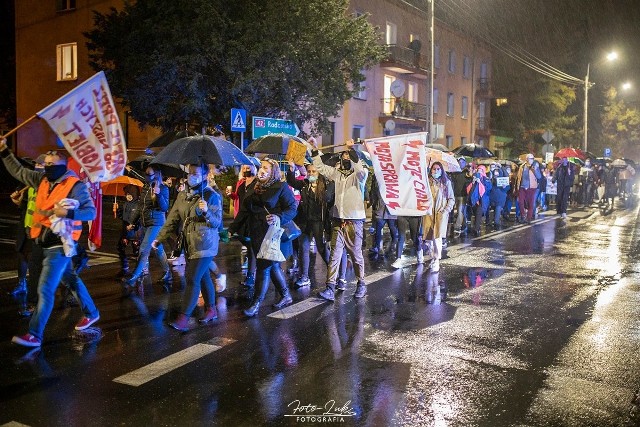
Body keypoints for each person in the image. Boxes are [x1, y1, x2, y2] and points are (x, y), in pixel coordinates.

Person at [0, 139, 100, 347]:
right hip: (41, 241)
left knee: (45, 289)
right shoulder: (42, 179)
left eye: (51, 165)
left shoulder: (75, 185)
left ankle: (35, 334)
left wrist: (68, 212)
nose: (47, 168)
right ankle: (91, 312)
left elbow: (91, 211)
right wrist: (4, 151)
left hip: (60, 244)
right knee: (70, 279)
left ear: (62, 167)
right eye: (45, 164)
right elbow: (19, 172)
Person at [154, 163, 223, 330]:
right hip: (190, 244)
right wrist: (159, 238)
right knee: (204, 276)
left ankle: (183, 318)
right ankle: (211, 309)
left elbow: (217, 223)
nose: (191, 176)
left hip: (206, 244)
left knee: (192, 278)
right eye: (190, 173)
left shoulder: (211, 195)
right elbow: (172, 219)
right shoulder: (183, 195)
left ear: (205, 175)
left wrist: (206, 211)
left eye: (196, 173)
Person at [229, 158, 298, 317]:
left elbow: (292, 208)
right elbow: (244, 211)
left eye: (266, 167)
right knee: (272, 266)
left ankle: (256, 303)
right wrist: (232, 228)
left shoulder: (280, 186)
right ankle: (286, 295)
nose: (262, 170)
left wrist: (279, 216)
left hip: (272, 234)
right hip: (256, 233)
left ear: (273, 171)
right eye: (261, 167)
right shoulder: (255, 186)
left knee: (263, 267)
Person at [310, 139, 369, 301]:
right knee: (335, 255)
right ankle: (330, 287)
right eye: (344, 155)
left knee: (356, 255)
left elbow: (360, 170)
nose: (345, 158)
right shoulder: (338, 175)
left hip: (354, 222)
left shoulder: (360, 175)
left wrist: (351, 149)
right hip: (338, 220)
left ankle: (361, 284)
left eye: (348, 156)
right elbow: (321, 168)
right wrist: (315, 151)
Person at [123, 164, 172, 290]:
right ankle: (168, 273)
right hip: (145, 223)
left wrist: (159, 195)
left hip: (156, 223)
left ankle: (134, 277)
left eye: (149, 174)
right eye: (146, 174)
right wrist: (132, 222)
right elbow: (140, 206)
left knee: (144, 249)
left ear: (156, 174)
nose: (146, 176)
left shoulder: (163, 188)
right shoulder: (145, 186)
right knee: (158, 248)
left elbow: (164, 208)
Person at [286, 160, 334, 287]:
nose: (311, 173)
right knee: (303, 248)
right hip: (304, 222)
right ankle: (304, 277)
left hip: (319, 223)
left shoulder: (325, 186)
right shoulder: (304, 184)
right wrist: (291, 169)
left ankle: (334, 275)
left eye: (314, 171)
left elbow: (329, 200)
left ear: (319, 173)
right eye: (309, 171)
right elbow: (292, 182)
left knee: (322, 249)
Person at [227, 162, 258, 291]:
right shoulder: (241, 183)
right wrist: (230, 195)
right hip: (242, 218)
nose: (246, 169)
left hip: (253, 220)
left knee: (251, 248)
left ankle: (251, 276)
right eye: (244, 168)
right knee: (246, 243)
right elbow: (238, 198)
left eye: (248, 167)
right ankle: (253, 269)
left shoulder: (257, 183)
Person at [421, 162, 454, 272]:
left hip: (440, 214)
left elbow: (451, 199)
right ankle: (431, 256)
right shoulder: (427, 182)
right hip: (429, 214)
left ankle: (436, 259)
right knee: (428, 238)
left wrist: (445, 211)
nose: (436, 171)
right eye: (434, 169)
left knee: (437, 238)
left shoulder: (446, 183)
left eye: (438, 169)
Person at [368, 175, 399, 262]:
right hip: (381, 208)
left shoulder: (394, 176)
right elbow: (374, 191)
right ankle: (377, 247)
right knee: (378, 228)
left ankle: (394, 245)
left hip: (391, 208)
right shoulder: (377, 175)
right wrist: (373, 203)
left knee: (392, 228)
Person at [115, 184, 141, 278]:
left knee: (137, 251)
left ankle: (141, 269)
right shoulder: (125, 204)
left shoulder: (138, 204)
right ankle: (124, 267)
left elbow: (139, 218)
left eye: (131, 194)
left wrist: (133, 225)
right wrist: (118, 210)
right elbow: (123, 217)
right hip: (125, 232)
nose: (128, 196)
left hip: (135, 233)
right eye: (127, 194)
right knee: (120, 247)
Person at [516, 154, 542, 223]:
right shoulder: (522, 166)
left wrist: (535, 170)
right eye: (530, 158)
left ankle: (529, 218)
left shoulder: (534, 166)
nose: (532, 160)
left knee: (531, 203)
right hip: (522, 187)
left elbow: (539, 177)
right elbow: (518, 177)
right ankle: (523, 216)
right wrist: (517, 186)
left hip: (532, 187)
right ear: (527, 159)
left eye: (533, 158)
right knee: (521, 202)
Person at [466, 164, 492, 236]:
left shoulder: (486, 179)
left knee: (478, 213)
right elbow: (468, 190)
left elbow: (488, 189)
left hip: (482, 200)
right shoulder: (473, 178)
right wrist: (473, 182)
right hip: (474, 200)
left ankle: (476, 229)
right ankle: (476, 227)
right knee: (475, 214)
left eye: (481, 170)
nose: (479, 172)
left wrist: (480, 183)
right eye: (478, 170)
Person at [452, 158, 472, 235]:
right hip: (456, 195)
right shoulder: (455, 172)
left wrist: (471, 172)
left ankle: (457, 227)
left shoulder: (467, 172)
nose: (460, 163)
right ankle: (464, 226)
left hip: (463, 195)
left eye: (462, 162)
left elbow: (470, 182)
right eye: (459, 162)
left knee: (460, 211)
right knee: (461, 211)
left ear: (465, 163)